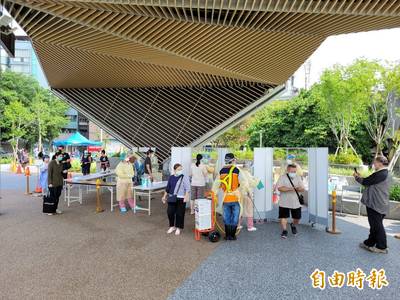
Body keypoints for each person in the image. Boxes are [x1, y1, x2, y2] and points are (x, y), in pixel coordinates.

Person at [355, 156, 390, 254]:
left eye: (375, 162)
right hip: (378, 203)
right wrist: (360, 177)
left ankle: (382, 247)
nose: (373, 164)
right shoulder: (384, 173)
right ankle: (369, 243)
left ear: (380, 163)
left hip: (376, 204)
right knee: (374, 225)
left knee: (377, 226)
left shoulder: (381, 174)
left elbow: (366, 182)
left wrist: (356, 177)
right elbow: (370, 180)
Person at [213, 153, 241, 241]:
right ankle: (232, 236)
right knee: (235, 217)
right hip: (236, 198)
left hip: (225, 199)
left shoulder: (221, 171)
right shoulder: (237, 170)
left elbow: (216, 185)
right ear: (233, 160)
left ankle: (227, 235)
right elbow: (241, 183)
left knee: (226, 217)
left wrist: (214, 195)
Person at [276, 164, 305, 239]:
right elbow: (279, 188)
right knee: (283, 217)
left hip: (296, 202)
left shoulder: (298, 177)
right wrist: (290, 189)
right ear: (288, 170)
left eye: (295, 171)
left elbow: (303, 189)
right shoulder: (282, 177)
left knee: (297, 218)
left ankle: (293, 225)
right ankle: (284, 230)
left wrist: (298, 188)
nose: (294, 173)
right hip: (284, 201)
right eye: (292, 171)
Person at [162, 163, 190, 236]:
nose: (180, 171)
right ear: (174, 170)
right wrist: (164, 196)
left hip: (181, 198)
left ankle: (178, 228)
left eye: (181, 169)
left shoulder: (184, 177)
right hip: (172, 197)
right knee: (170, 212)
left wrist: (186, 197)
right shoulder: (171, 177)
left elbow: (188, 188)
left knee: (180, 214)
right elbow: (168, 188)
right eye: (178, 169)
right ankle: (172, 226)